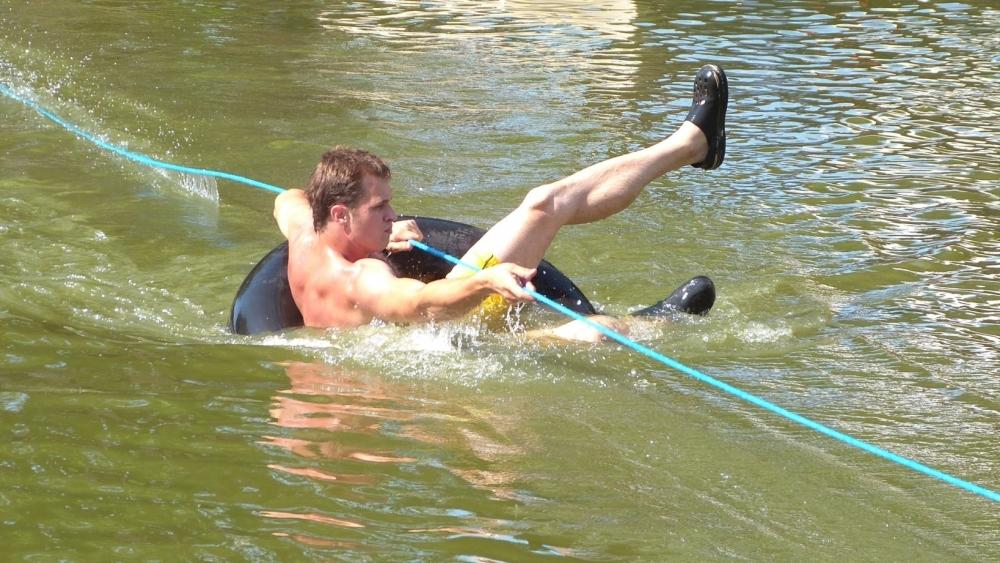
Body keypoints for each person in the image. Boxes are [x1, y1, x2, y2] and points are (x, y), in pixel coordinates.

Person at [273, 64, 728, 342]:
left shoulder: (304, 229)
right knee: (593, 330)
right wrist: (484, 282)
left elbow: (285, 198)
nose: (394, 215)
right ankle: (661, 324)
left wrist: (379, 232)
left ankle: (691, 145)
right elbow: (425, 305)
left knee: (543, 203)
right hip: (448, 339)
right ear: (340, 214)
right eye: (380, 208)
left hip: (415, 334)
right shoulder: (362, 280)